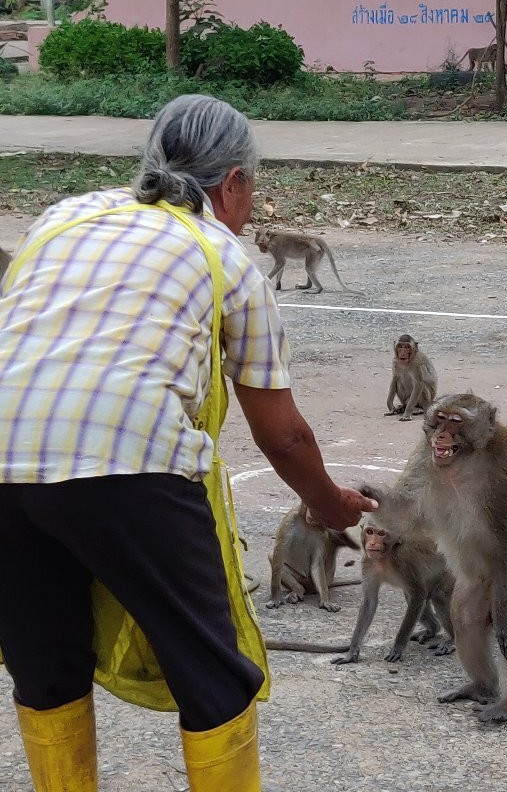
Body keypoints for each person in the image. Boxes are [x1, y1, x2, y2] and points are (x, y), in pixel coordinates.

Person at [0, 94, 376, 792]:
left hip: (3, 461)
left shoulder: (59, 219)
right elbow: (282, 432)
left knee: (45, 663)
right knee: (214, 676)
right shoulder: (221, 254)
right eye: (251, 190)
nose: (251, 208)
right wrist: (326, 502)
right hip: (127, 465)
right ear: (231, 183)